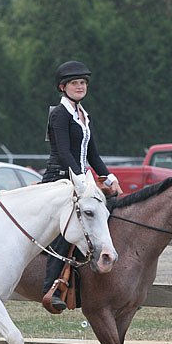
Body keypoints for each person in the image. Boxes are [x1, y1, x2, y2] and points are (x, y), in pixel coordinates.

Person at [41, 60, 122, 312]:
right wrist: (80, 179)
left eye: (83, 83)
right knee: (69, 229)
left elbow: (93, 155)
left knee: (108, 210)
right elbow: (64, 153)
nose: (80, 86)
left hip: (79, 178)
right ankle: (50, 287)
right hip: (60, 177)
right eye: (75, 83)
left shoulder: (84, 115)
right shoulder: (59, 114)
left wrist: (109, 178)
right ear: (63, 87)